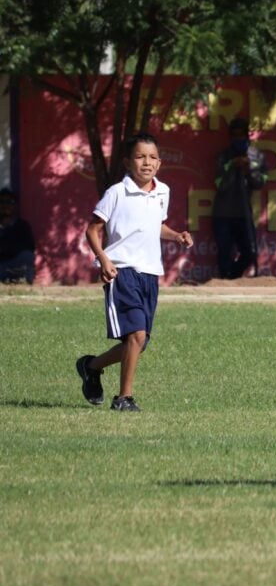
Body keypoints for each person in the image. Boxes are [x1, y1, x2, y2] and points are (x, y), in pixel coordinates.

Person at [76, 132, 193, 412]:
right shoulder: (116, 192)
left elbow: (155, 226)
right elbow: (93, 229)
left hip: (150, 273)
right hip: (122, 270)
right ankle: (123, 398)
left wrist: (176, 236)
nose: (147, 162)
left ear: (160, 163)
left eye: (152, 157)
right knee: (136, 336)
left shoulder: (163, 191)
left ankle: (90, 366)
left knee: (139, 343)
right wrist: (103, 259)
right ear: (128, 162)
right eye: (140, 157)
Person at [213, 117, 267, 279]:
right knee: (224, 252)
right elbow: (219, 184)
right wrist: (232, 166)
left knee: (249, 253)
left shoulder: (255, 156)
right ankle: (224, 282)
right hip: (223, 213)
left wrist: (248, 170)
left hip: (244, 213)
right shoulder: (224, 156)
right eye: (235, 136)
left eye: (241, 135)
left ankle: (233, 278)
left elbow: (260, 182)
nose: (238, 139)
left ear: (247, 136)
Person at [0, 187, 36, 284]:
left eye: (9, 202)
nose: (5, 205)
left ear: (15, 206)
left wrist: (6, 247)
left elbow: (30, 248)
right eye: (2, 201)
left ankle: (23, 281)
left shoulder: (22, 226)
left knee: (27, 256)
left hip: (14, 265)